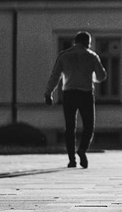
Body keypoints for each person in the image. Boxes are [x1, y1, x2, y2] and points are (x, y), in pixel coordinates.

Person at [44, 31, 107, 168]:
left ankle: (71, 159)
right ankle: (82, 149)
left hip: (69, 94)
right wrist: (92, 78)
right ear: (87, 43)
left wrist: (49, 93)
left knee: (70, 127)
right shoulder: (92, 56)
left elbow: (55, 76)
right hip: (85, 93)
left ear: (75, 41)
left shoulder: (64, 56)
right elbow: (101, 76)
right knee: (89, 126)